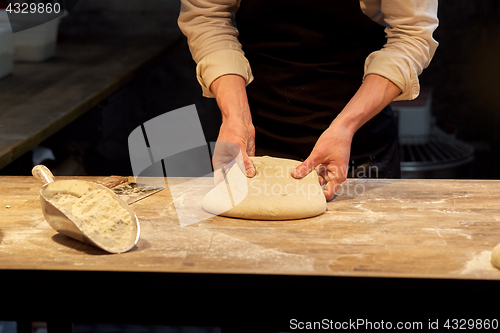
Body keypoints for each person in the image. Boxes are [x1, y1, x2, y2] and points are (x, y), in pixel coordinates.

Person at [178, 0, 438, 200]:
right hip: (254, 133)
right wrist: (236, 117)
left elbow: (411, 34)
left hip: (357, 142)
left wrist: (345, 126)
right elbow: (206, 17)